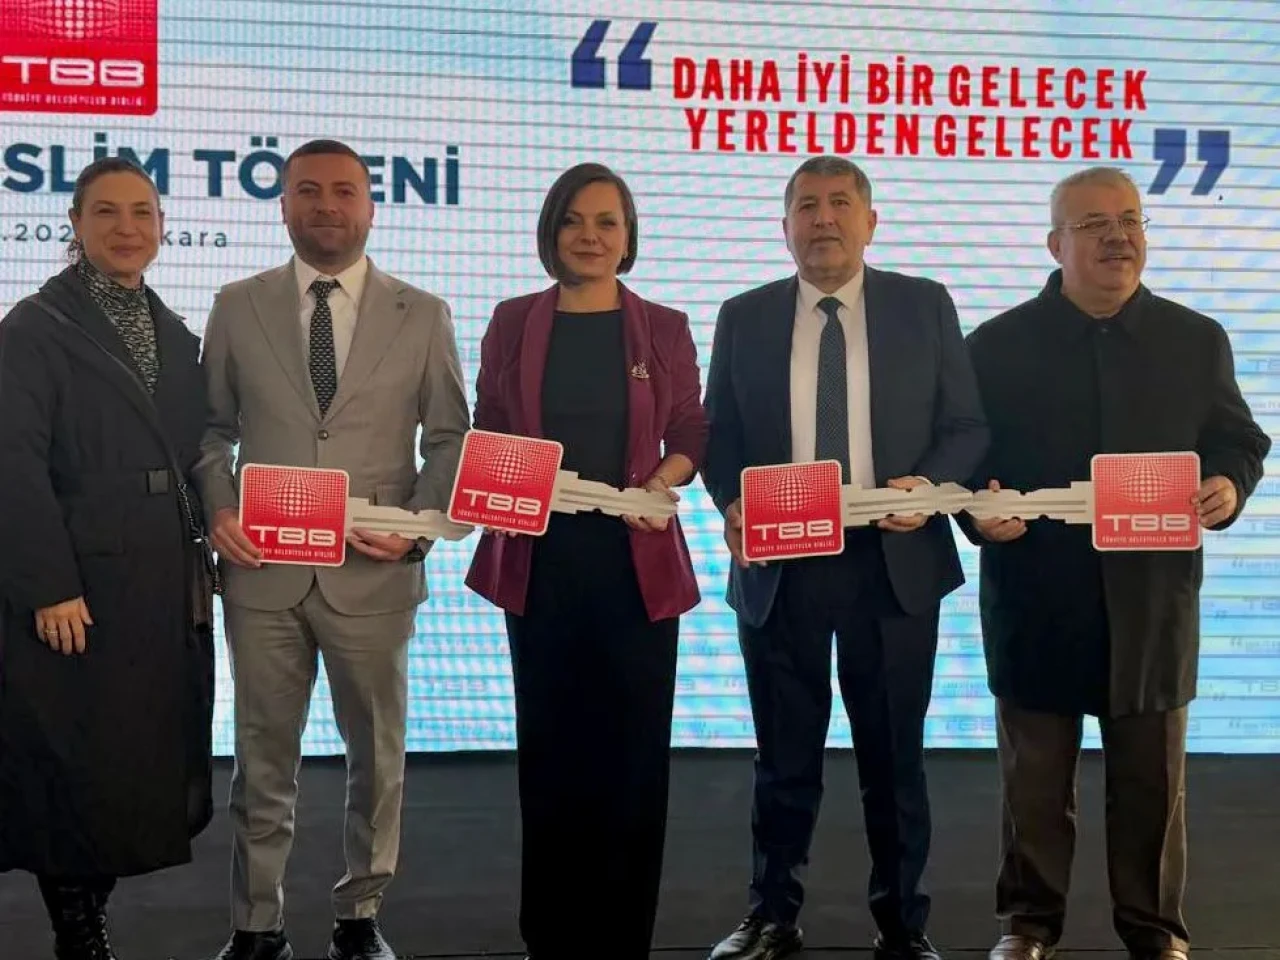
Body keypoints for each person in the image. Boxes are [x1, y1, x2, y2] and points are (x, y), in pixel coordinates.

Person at [959, 166, 1270, 960]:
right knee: (1034, 783)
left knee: (1151, 783)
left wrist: (1228, 484)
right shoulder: (994, 346)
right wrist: (977, 512)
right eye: (1094, 224)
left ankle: (1154, 929)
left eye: (1129, 220)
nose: (1117, 237)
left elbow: (1238, 440)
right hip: (1037, 595)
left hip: (1152, 600)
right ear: (1054, 244)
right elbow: (965, 460)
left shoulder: (1195, 340)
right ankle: (1029, 923)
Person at [701, 156, 989, 960]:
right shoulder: (744, 315)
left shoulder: (924, 305)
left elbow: (967, 427)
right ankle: (771, 916)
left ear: (870, 221)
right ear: (784, 225)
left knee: (893, 760)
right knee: (782, 759)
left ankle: (903, 924)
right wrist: (729, 502)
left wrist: (928, 488)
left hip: (892, 563)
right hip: (782, 564)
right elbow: (719, 435)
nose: (822, 218)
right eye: (806, 206)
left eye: (838, 203)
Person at [193, 139, 470, 960]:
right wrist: (217, 505)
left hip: (375, 575)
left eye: (344, 191)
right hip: (263, 573)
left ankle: (360, 915)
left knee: (377, 759)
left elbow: (450, 439)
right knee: (260, 758)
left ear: (371, 207)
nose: (326, 206)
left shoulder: (423, 314)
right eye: (307, 191)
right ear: (282, 205)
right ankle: (256, 925)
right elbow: (210, 433)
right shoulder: (236, 305)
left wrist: (415, 530)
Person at [464, 161, 707, 960]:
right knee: (551, 756)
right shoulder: (513, 322)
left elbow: (690, 431)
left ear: (629, 236)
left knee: (633, 762)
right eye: (573, 220)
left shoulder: (663, 326)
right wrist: (500, 480)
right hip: (540, 566)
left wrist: (660, 483)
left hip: (637, 566)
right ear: (552, 232)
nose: (590, 236)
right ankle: (551, 937)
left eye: (607, 221)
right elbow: (489, 426)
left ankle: (624, 938)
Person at [0, 156, 216, 960]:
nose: (127, 228)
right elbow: (11, 464)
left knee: (127, 761)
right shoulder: (34, 328)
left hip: (156, 584)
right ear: (75, 224)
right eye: (107, 212)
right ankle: (77, 930)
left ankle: (89, 914)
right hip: (77, 589)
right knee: (71, 760)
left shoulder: (176, 333)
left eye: (142, 212)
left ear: (162, 226)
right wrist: (47, 585)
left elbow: (198, 452)